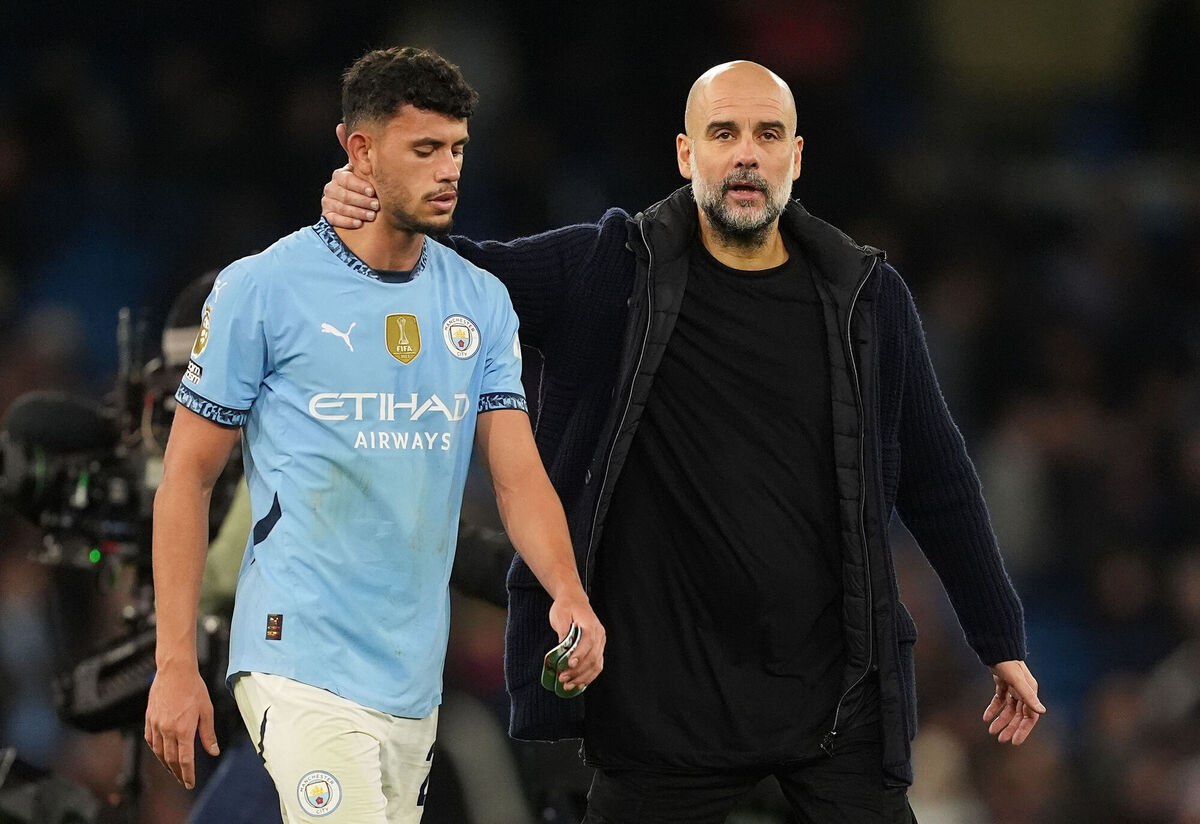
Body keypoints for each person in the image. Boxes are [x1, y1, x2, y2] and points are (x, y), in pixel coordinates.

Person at [323, 59, 1043, 823]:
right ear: (685, 153)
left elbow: (938, 480)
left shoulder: (867, 299)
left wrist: (999, 637)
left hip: (832, 712)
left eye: (768, 135)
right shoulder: (611, 272)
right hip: (663, 718)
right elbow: (443, 279)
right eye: (723, 133)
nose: (746, 154)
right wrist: (368, 217)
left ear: (795, 157)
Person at [145, 46, 604, 824]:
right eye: (424, 149)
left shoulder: (479, 302)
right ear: (359, 150)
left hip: (409, 677)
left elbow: (517, 475)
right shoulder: (263, 288)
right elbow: (186, 476)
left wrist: (567, 591)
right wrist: (174, 664)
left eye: (457, 148)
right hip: (297, 656)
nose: (449, 170)